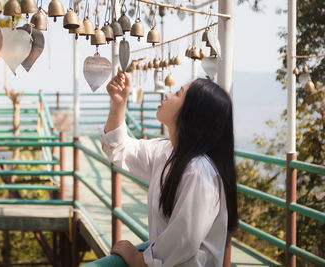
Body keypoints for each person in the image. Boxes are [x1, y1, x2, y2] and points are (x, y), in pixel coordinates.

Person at [100, 72, 238, 267]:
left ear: (191, 113)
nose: (167, 94)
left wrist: (140, 261)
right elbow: (119, 149)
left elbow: (185, 238)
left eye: (178, 94)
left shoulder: (198, 171)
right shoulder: (167, 152)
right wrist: (119, 103)